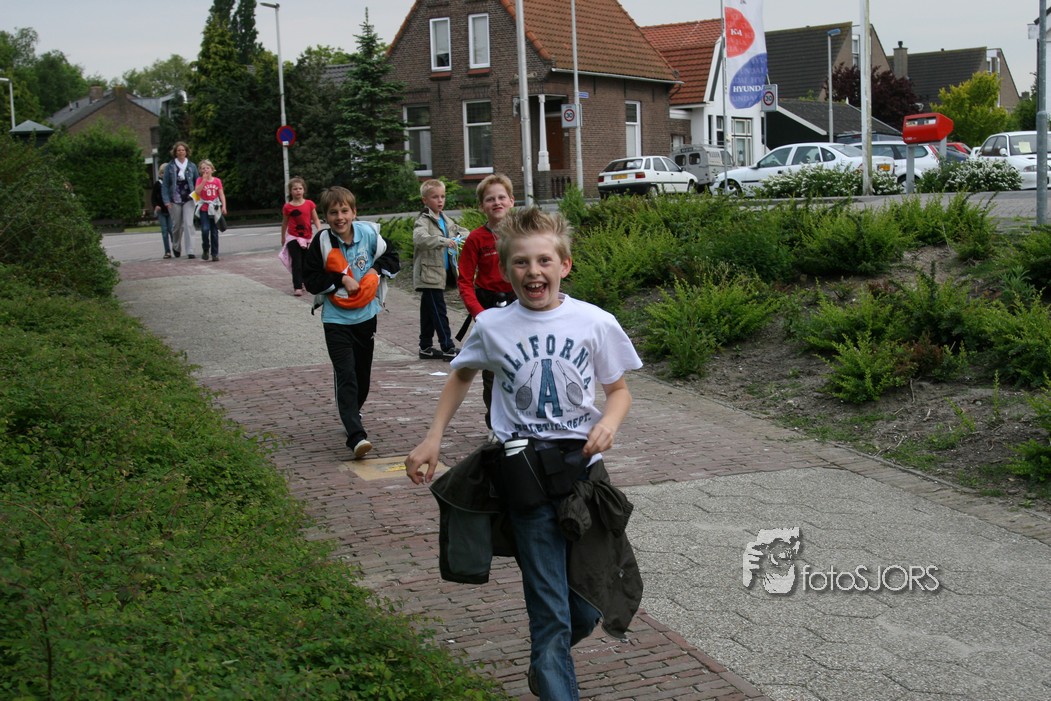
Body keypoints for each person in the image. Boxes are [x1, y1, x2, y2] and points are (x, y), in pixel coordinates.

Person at [406, 208, 643, 700]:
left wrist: (609, 422)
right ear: (505, 268)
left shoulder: (595, 322)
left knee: (586, 608)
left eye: (543, 261)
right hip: (525, 481)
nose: (533, 271)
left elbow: (618, 391)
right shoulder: (492, 325)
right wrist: (433, 437)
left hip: (583, 480)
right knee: (550, 614)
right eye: (521, 262)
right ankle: (552, 665)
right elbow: (461, 374)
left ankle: (547, 663)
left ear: (564, 265)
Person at [303, 187, 400, 461]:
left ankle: (352, 411)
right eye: (333, 213)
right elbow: (310, 279)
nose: (339, 217)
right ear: (326, 217)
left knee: (362, 375)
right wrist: (340, 279)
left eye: (344, 211)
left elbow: (393, 258)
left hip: (366, 316)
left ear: (354, 212)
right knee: (345, 374)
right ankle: (356, 435)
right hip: (336, 319)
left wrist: (375, 271)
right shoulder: (322, 242)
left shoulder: (369, 235)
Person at [457, 173, 517, 431]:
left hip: (519, 306)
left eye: (502, 197)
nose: (497, 203)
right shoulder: (476, 239)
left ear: (512, 201)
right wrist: (478, 313)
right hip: (489, 309)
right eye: (490, 199)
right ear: (482, 206)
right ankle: (495, 425)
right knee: (492, 369)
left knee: (522, 364)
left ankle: (522, 420)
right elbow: (464, 281)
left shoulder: (522, 234)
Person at [413, 179, 468, 360]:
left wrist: (462, 237)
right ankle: (447, 347)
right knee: (439, 311)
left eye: (442, 196)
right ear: (425, 200)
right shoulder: (424, 220)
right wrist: (444, 241)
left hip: (440, 274)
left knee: (428, 312)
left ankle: (425, 347)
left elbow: (462, 231)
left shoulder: (445, 219)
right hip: (429, 275)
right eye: (435, 197)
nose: (440, 200)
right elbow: (420, 239)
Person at [281, 176, 322, 296]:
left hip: (307, 238)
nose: (298, 191)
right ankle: (297, 287)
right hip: (293, 237)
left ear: (304, 190)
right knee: (297, 262)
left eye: (300, 188)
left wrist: (319, 230)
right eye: (295, 189)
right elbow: (284, 223)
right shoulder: (288, 207)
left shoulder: (309, 204)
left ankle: (305, 282)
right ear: (290, 191)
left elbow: (315, 219)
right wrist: (283, 237)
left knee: (306, 262)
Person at [161, 141, 200, 259]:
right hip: (174, 199)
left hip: (189, 198)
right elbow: (165, 185)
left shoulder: (192, 166)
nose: (181, 152)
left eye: (183, 150)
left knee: (188, 224)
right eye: (178, 150)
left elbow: (197, 182)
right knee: (177, 226)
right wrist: (166, 201)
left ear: (186, 152)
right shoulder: (170, 167)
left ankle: (190, 250)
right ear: (175, 152)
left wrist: (198, 199)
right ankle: (176, 246)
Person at [194, 159, 227, 262]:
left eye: (207, 168)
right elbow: (197, 192)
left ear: (212, 169)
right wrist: (204, 181)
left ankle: (214, 253)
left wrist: (224, 206)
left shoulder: (217, 181)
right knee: (205, 229)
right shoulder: (199, 180)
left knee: (214, 232)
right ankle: (205, 249)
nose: (205, 170)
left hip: (215, 208)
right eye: (203, 168)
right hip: (204, 208)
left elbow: (221, 194)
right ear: (200, 170)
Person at [151, 163, 173, 259]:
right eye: (163, 173)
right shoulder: (158, 184)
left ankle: (175, 247)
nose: (164, 175)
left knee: (171, 230)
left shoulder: (172, 184)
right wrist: (156, 206)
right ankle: (167, 251)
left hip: (170, 210)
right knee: (164, 231)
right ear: (160, 174)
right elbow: (153, 197)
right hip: (161, 211)